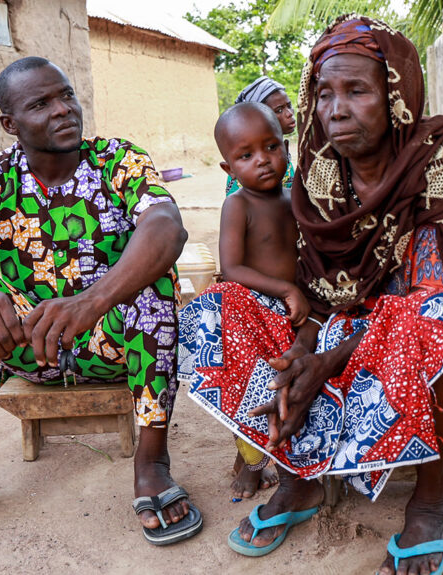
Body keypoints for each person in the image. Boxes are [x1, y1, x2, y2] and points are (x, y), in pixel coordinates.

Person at [179, 16, 443, 574]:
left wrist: (325, 361)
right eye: (324, 93)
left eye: (357, 91)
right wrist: (302, 348)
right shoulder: (322, 173)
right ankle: (298, 479)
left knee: (422, 321)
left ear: (396, 94)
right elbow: (321, 287)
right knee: (218, 310)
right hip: (345, 327)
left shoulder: (441, 150)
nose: (335, 109)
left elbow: (432, 290)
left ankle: (430, 503)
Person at [0, 57, 200, 560]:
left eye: (67, 96)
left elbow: (167, 226)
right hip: (26, 342)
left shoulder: (116, 159)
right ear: (11, 125)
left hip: (111, 340)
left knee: (151, 283)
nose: (63, 111)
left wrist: (92, 301)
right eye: (41, 104)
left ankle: (152, 462)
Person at [186, 102, 309, 501]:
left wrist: (301, 293)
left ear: (286, 148)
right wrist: (286, 289)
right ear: (229, 169)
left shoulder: (296, 200)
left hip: (293, 316)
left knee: (282, 389)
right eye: (246, 155)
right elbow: (232, 267)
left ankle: (271, 461)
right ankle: (251, 464)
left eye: (271, 147)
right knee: (245, 387)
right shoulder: (237, 205)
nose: (263, 161)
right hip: (252, 313)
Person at [225, 76, 297, 196]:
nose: (289, 114)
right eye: (279, 110)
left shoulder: (281, 152)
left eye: (289, 106)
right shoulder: (249, 164)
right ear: (260, 117)